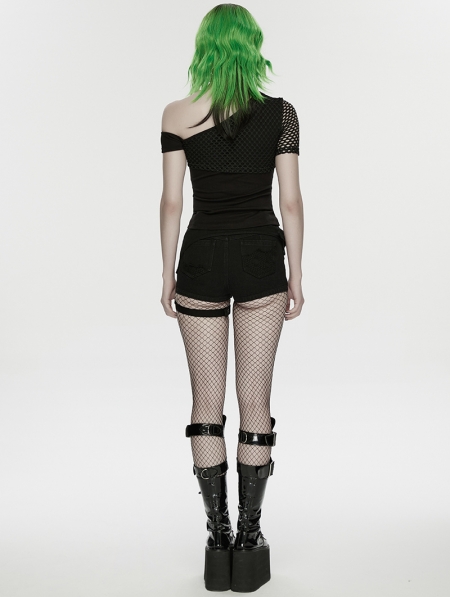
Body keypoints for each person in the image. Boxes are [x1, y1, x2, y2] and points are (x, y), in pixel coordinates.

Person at [159, 4, 304, 592]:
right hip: (261, 259)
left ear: (205, 49)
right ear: (252, 47)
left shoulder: (177, 114)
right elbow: (290, 201)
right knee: (254, 402)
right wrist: (298, 272)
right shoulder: (281, 114)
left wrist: (165, 272)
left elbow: (172, 201)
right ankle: (249, 537)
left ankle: (216, 538)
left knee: (205, 404)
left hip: (199, 258)